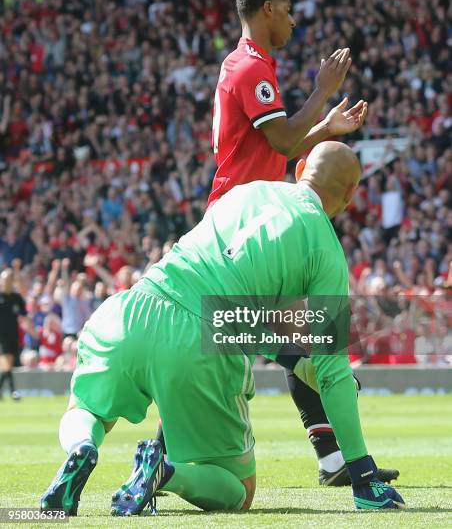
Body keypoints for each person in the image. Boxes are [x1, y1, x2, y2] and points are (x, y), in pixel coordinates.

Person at [41, 142, 405, 516]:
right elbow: (331, 372)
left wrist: (294, 361)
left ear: (300, 171)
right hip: (197, 344)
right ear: (349, 196)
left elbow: (218, 301)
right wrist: (362, 475)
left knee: (88, 410)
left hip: (132, 310)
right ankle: (163, 472)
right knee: (238, 491)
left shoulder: (246, 192)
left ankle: (81, 447)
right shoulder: (327, 254)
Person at [205, 0, 396, 486]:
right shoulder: (249, 68)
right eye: (287, 9)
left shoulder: (254, 66)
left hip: (258, 214)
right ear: (267, 9)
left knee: (281, 329)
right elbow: (287, 143)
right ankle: (160, 453)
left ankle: (333, 453)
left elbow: (277, 142)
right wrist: (321, 91)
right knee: (241, 338)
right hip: (240, 221)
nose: (292, 19)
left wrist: (326, 127)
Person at [0, 268, 29, 399]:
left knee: (8, 365)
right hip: (1, 336)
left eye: (9, 279)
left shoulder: (16, 297)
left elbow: (25, 314)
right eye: (4, 279)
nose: (6, 282)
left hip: (13, 335)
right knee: (7, 362)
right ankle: (13, 391)